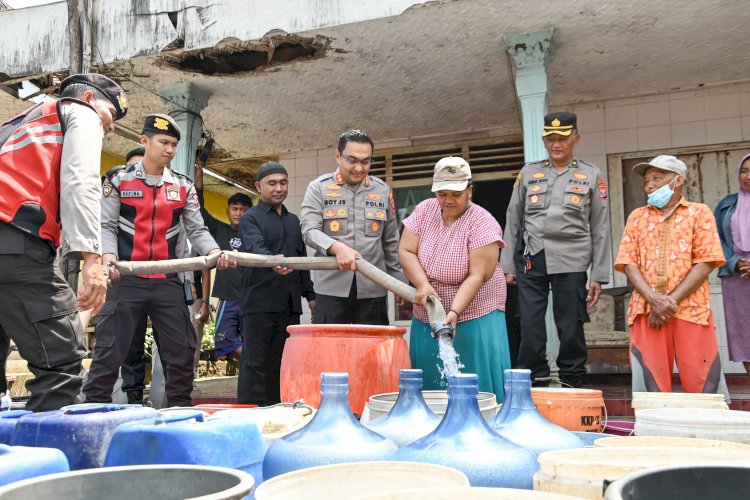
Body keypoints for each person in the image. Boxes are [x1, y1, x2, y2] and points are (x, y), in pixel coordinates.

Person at [83, 114, 231, 407]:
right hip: (124, 278)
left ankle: (179, 414)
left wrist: (215, 253)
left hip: (168, 281)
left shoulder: (182, 186)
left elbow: (197, 229)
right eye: (164, 142)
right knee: (108, 354)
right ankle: (93, 415)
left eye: (174, 144)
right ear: (144, 141)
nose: (169, 149)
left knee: (181, 355)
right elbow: (106, 225)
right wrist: (109, 258)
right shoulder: (117, 179)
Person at [0, 73, 127, 411]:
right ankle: (46, 460)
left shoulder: (14, 124)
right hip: (15, 241)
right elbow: (80, 181)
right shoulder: (79, 112)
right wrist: (92, 258)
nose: (110, 127)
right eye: (110, 115)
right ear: (88, 97)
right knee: (62, 362)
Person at [501, 112, 611, 388]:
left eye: (562, 138)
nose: (556, 144)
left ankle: (572, 380)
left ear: (575, 138)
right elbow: (513, 218)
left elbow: (600, 226)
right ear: (544, 140)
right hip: (533, 255)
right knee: (529, 324)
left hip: (572, 259)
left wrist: (598, 274)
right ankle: (535, 379)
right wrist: (508, 265)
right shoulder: (528, 172)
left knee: (570, 326)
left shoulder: (590, 174)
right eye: (550, 138)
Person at [399, 157, 512, 399]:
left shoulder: (482, 222)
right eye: (442, 193)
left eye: (456, 193)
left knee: (473, 383)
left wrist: (455, 313)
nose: (448, 200)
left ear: (469, 190)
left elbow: (477, 274)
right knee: (430, 380)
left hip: (475, 313)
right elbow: (406, 250)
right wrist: (423, 284)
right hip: (428, 310)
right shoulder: (424, 210)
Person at [615, 155, 726, 393]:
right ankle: (655, 428)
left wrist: (668, 302)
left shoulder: (699, 213)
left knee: (702, 382)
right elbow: (628, 262)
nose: (650, 185)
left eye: (657, 178)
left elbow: (706, 261)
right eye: (647, 181)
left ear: (678, 181)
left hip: (692, 310)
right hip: (646, 309)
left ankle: (705, 429)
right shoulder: (637, 217)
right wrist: (654, 300)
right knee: (651, 386)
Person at [301, 129, 403, 325]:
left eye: (366, 162)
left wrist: (399, 283)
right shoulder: (318, 188)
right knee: (331, 353)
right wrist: (336, 247)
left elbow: (391, 242)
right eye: (352, 160)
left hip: (373, 290)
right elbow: (309, 230)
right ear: (338, 156)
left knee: (371, 352)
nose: (359, 168)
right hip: (331, 290)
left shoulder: (382, 190)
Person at [238, 162, 315, 405]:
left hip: (289, 304)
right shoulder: (251, 218)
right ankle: (251, 416)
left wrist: (310, 296)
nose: (279, 188)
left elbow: (301, 260)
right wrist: (273, 261)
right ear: (258, 186)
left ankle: (279, 412)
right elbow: (255, 248)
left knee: (284, 364)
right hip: (259, 303)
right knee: (256, 365)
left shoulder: (294, 221)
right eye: (272, 183)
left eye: (283, 182)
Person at [195, 163, 253, 361]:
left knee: (253, 341)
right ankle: (252, 366)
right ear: (227, 211)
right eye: (235, 209)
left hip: (252, 299)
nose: (239, 213)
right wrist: (199, 182)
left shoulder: (256, 236)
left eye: (244, 210)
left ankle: (252, 374)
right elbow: (199, 211)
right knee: (225, 341)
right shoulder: (220, 230)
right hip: (228, 299)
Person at [715, 152, 750, 375]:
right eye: (743, 171)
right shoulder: (727, 204)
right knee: (745, 340)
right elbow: (716, 240)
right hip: (738, 279)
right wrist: (735, 262)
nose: (748, 176)